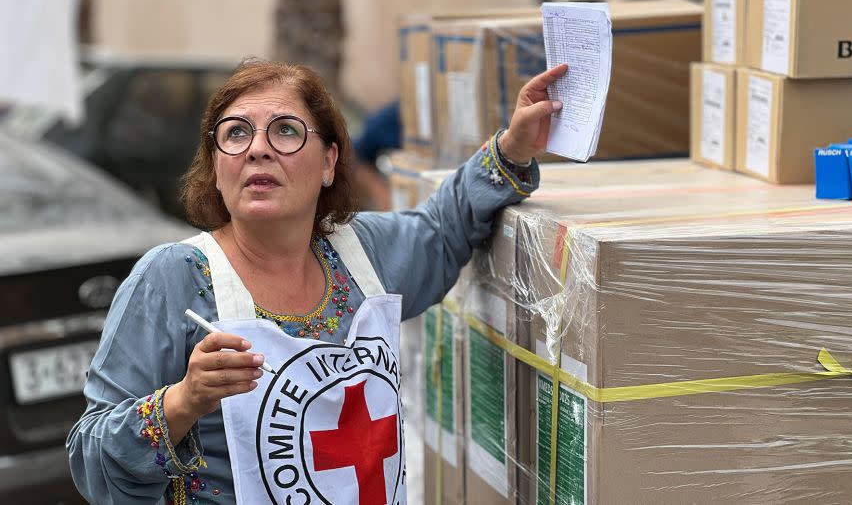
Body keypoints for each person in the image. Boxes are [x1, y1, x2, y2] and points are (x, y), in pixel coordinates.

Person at [67, 58, 567, 504]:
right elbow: (90, 459)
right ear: (216, 167)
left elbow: (445, 228)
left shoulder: (365, 254)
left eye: (285, 131)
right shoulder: (169, 280)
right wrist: (183, 400)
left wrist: (514, 145)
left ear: (329, 162)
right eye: (236, 133)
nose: (258, 149)